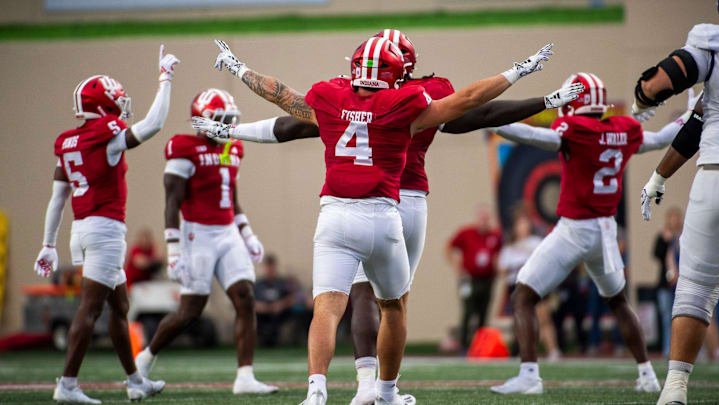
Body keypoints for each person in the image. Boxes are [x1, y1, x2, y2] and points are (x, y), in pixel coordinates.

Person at [194, 29, 582, 405]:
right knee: (393, 304)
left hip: (336, 211)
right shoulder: (410, 101)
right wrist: (523, 76)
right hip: (392, 209)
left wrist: (238, 77)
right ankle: (385, 391)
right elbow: (472, 103)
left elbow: (285, 105)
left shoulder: (331, 95)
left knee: (330, 306)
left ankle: (321, 391)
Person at [487, 71, 692, 395]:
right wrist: (687, 118)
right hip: (606, 231)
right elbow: (661, 138)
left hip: (574, 229)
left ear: (575, 103)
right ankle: (647, 375)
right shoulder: (622, 130)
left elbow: (532, 137)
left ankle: (529, 376)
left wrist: (492, 122)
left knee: (523, 295)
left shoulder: (576, 130)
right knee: (618, 302)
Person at [32, 45, 179, 403]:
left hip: (80, 232)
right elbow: (153, 125)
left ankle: (134, 380)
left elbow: (58, 198)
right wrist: (165, 79)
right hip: (105, 231)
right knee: (91, 308)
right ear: (104, 105)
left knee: (119, 307)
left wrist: (48, 243)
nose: (122, 105)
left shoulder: (68, 142)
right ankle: (67, 384)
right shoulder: (106, 136)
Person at [133, 88, 276, 395]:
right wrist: (173, 249)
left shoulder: (234, 148)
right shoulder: (184, 147)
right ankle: (145, 358)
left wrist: (247, 233)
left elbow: (231, 196)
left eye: (230, 121)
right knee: (190, 311)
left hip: (227, 232)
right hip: (197, 233)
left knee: (245, 297)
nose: (227, 127)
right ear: (202, 120)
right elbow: (172, 201)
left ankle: (245, 377)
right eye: (221, 121)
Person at [636, 13, 719, 403]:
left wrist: (641, 95)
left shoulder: (710, 43)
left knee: (696, 287)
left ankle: (675, 388)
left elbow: (661, 82)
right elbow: (697, 121)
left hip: (714, 176)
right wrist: (659, 175)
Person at [497, 208, 560, 361]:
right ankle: (525, 352)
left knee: (543, 318)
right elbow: (501, 269)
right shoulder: (510, 247)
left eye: (524, 223)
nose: (521, 227)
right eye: (519, 224)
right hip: (516, 285)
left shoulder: (535, 242)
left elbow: (545, 261)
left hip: (535, 283)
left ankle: (553, 351)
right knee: (522, 320)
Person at [446, 206, 503, 349]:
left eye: (486, 219)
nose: (484, 222)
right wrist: (457, 268)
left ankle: (481, 345)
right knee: (468, 310)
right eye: (481, 219)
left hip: (487, 279)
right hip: (469, 280)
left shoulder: (494, 235)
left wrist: (497, 269)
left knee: (484, 312)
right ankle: (464, 345)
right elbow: (450, 247)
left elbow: (500, 254)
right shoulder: (466, 233)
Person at [653, 207, 683, 357]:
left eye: (677, 217)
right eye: (672, 217)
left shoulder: (684, 237)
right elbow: (656, 255)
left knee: (683, 317)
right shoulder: (663, 236)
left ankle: (685, 350)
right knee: (666, 317)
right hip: (665, 284)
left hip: (682, 283)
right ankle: (667, 349)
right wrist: (666, 242)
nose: (674, 220)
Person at [255, 254, 296, 347]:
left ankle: (274, 338)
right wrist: (259, 306)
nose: (270, 270)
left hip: (278, 312)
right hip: (261, 313)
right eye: (267, 267)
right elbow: (249, 300)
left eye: (271, 267)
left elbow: (292, 297)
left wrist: (281, 304)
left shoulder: (282, 282)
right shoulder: (258, 284)